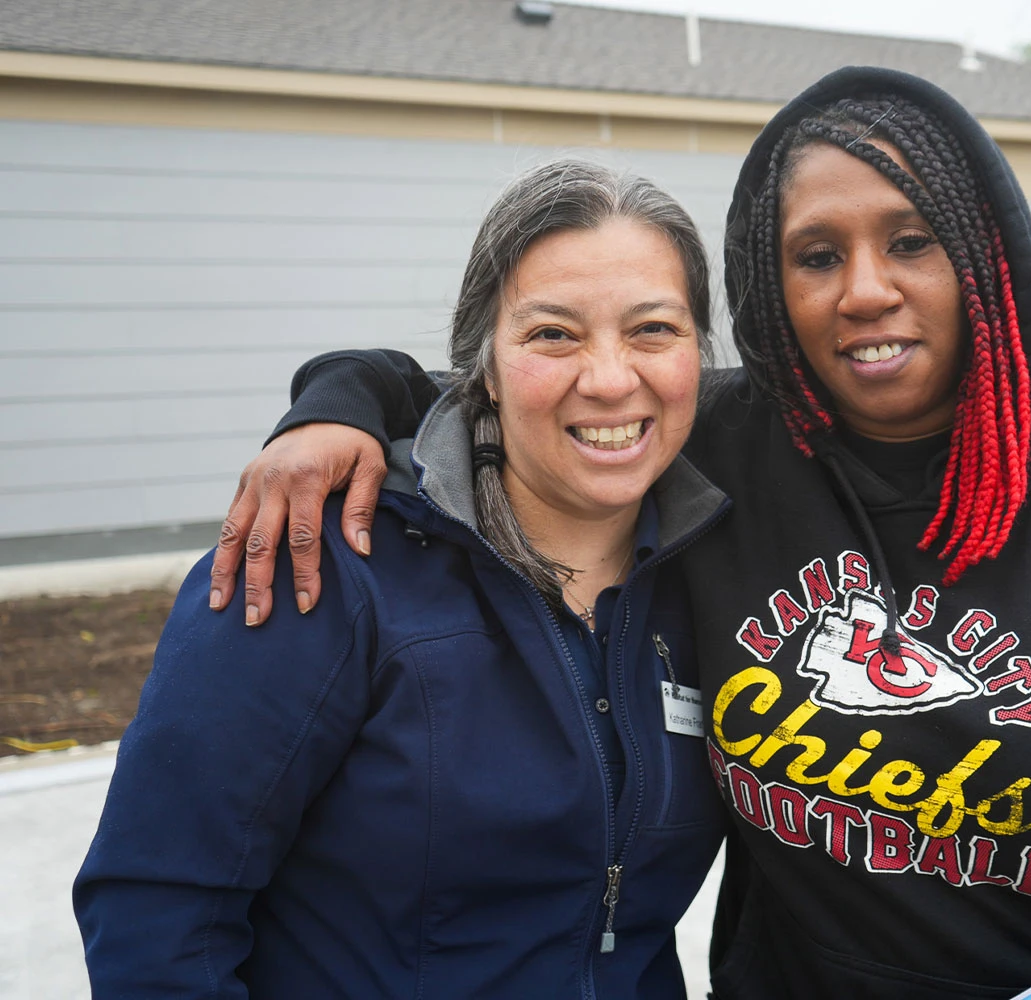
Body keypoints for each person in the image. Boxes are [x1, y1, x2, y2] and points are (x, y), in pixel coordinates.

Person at [208, 67, 1031, 998]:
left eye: (912, 240)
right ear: (773, 292)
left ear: (986, 256)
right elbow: (514, 390)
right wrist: (334, 406)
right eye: (817, 256)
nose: (863, 288)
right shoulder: (719, 443)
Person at [73, 160, 731, 998]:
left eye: (653, 330)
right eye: (552, 334)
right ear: (483, 366)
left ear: (699, 359)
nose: (608, 378)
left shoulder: (708, 568)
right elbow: (155, 913)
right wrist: (337, 393)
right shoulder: (320, 564)